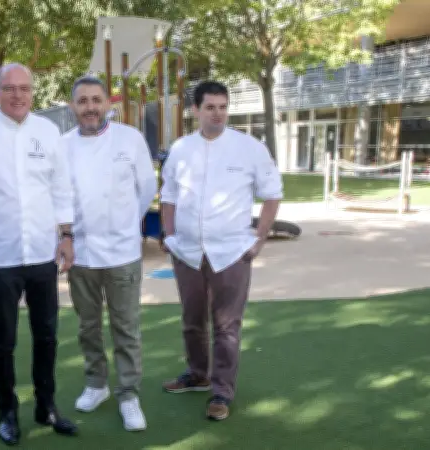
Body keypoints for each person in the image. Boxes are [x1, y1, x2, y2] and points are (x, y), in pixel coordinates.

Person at [0, 63, 78, 445]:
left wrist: (66, 235)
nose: (17, 95)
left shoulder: (48, 131)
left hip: (43, 252)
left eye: (24, 88)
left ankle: (46, 407)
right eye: (9, 88)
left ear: (33, 92)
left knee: (47, 335)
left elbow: (61, 187)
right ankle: (7, 412)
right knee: (3, 338)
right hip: (0, 254)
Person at [159, 81, 283, 421]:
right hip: (186, 252)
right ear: (196, 110)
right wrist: (169, 237)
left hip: (231, 252)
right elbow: (168, 195)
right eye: (210, 107)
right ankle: (197, 374)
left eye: (223, 107)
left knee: (227, 326)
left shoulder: (249, 148)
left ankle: (221, 392)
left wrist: (259, 238)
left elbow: (272, 193)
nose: (218, 113)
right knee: (191, 320)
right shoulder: (181, 149)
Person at [62, 76, 157, 431]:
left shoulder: (130, 139)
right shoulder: (63, 145)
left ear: (107, 103)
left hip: (122, 252)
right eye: (83, 100)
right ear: (73, 106)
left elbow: (146, 188)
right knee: (88, 327)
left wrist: (124, 224)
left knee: (126, 328)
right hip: (82, 253)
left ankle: (129, 394)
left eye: (96, 99)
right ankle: (96, 384)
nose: (90, 107)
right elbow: (59, 196)